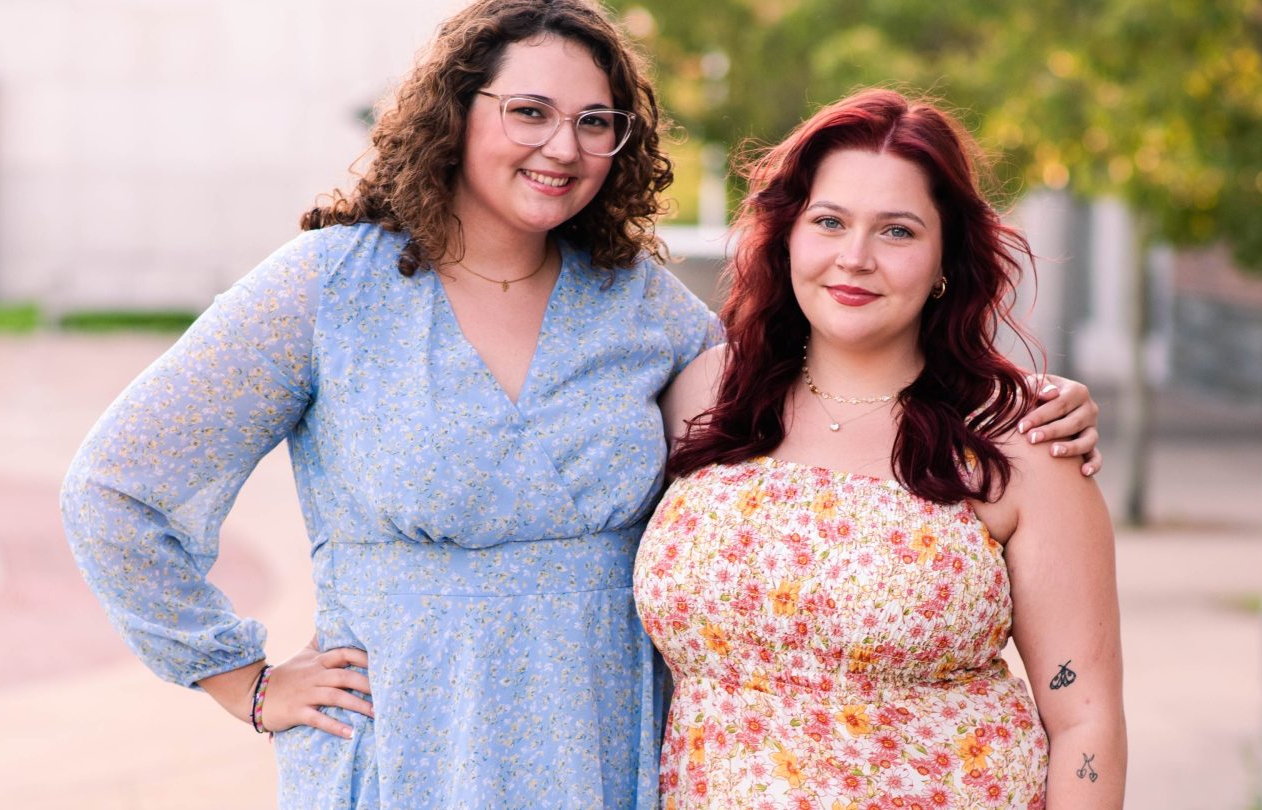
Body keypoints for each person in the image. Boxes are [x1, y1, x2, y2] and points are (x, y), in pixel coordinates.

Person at [60, 2, 1105, 807]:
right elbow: (115, 487)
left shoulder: (642, 307)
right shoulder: (330, 289)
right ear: (454, 112)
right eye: (528, 111)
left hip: (610, 753)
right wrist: (240, 681)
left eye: (593, 122)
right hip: (416, 748)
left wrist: (1025, 405)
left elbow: (828, 375)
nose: (560, 146)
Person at [636, 88, 1126, 808]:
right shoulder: (705, 394)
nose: (854, 258)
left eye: (897, 232)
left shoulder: (1021, 439)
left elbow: (1086, 719)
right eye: (829, 221)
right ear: (788, 235)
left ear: (946, 259)